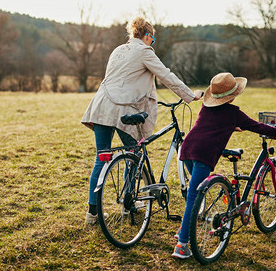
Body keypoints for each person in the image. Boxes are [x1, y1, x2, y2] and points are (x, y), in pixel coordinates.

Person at [81, 17, 203, 225]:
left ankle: (92, 214)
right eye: (152, 39)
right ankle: (129, 203)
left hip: (101, 106)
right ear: (147, 35)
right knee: (133, 154)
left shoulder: (118, 50)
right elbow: (166, 75)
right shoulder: (145, 51)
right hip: (122, 108)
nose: (151, 43)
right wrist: (190, 96)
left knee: (100, 158)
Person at [172, 72, 276, 259]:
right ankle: (181, 245)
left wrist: (232, 125)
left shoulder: (206, 109)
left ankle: (184, 229)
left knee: (195, 193)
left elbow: (212, 124)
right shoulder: (233, 113)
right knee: (194, 196)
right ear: (233, 95)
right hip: (203, 154)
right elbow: (258, 127)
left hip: (188, 149)